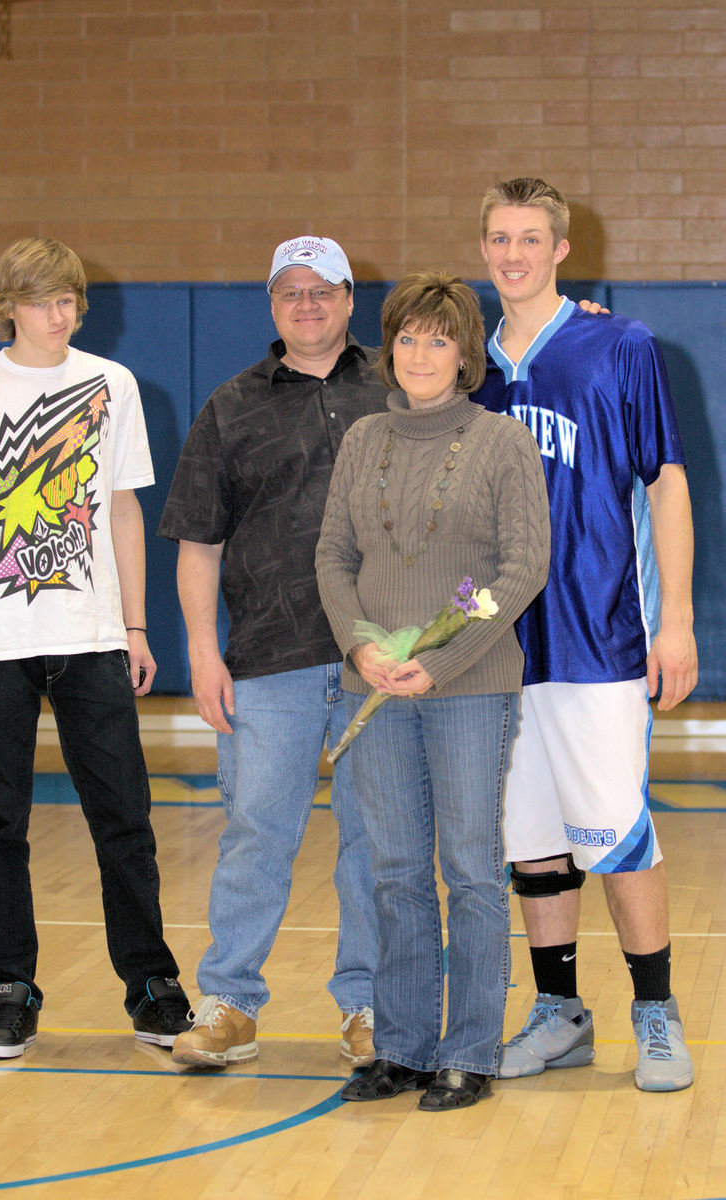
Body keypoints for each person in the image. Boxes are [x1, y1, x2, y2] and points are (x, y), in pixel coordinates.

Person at [0, 236, 193, 1058]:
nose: (60, 314)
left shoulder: (112, 387)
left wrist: (136, 627)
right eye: (43, 301)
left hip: (92, 640)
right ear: (8, 305)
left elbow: (120, 512)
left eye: (70, 299)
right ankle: (8, 989)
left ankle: (150, 985)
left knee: (123, 818)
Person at [475, 177, 698, 1092]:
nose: (513, 254)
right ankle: (558, 1012)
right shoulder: (464, 365)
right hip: (495, 644)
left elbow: (666, 483)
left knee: (615, 832)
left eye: (530, 239)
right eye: (498, 238)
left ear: (561, 249)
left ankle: (656, 1013)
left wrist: (675, 618)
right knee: (530, 837)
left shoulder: (619, 345)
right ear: (483, 247)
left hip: (599, 635)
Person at [315, 271, 551, 1110]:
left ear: (465, 354)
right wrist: (363, 645)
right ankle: (406, 1048)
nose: (420, 353)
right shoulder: (362, 440)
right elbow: (334, 559)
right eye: (407, 338)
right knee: (394, 871)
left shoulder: (500, 443)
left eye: (438, 338)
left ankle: (471, 1052)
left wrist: (438, 660)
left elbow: (519, 569)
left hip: (467, 689)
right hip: (372, 686)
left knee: (471, 871)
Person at [159, 237, 384, 1069]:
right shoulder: (231, 406)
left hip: (380, 664)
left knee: (376, 839)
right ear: (272, 305)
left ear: (350, 297)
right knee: (257, 833)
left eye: (322, 289)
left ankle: (366, 1005)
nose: (307, 303)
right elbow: (196, 542)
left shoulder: (396, 384)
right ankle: (229, 1004)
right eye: (290, 291)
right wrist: (201, 655)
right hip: (265, 659)